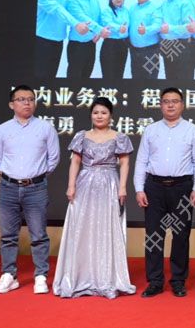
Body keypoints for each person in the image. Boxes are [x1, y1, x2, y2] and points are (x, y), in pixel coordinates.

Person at [53, 97, 135, 299]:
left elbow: (125, 163)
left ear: (111, 115)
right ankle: (80, 276)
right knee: (82, 227)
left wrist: (122, 187)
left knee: (106, 228)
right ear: (91, 114)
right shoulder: (82, 136)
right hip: (85, 184)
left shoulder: (119, 137)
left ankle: (106, 278)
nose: (99, 116)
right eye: (96, 112)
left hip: (110, 184)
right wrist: (71, 185)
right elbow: (75, 162)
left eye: (104, 113)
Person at [134, 87, 195, 298]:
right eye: (166, 101)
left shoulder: (192, 130)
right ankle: (155, 281)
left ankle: (178, 280)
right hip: (154, 187)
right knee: (153, 235)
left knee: (181, 235)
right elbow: (141, 161)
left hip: (182, 187)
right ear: (160, 105)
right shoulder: (151, 130)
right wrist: (139, 189)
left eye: (175, 101)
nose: (171, 105)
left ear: (182, 105)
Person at [0, 85, 60, 294]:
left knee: (38, 234)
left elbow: (53, 159)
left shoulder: (45, 128)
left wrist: (35, 177)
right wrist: (13, 176)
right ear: (11, 104)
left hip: (36, 187)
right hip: (8, 187)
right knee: (8, 235)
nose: (27, 103)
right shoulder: (2, 130)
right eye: (21, 99)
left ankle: (40, 276)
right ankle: (9, 275)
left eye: (30, 99)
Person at [35, 0, 89, 78]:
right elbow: (58, 10)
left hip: (59, 42)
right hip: (42, 41)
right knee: (40, 76)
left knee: (51, 76)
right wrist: (77, 24)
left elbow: (71, 14)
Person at [65, 0, 111, 78]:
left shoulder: (95, 1)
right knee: (74, 77)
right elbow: (83, 18)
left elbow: (99, 20)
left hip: (91, 44)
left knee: (87, 76)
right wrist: (100, 30)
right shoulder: (73, 2)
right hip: (77, 45)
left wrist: (98, 34)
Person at [158, 0, 195, 80]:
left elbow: (189, 27)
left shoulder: (185, 2)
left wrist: (170, 28)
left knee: (184, 80)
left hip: (181, 46)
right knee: (170, 79)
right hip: (167, 46)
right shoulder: (164, 4)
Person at [129, 0, 162, 80]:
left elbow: (158, 25)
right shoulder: (132, 8)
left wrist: (146, 30)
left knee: (151, 80)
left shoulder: (155, 8)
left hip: (150, 51)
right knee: (136, 80)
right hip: (134, 51)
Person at [98, 0, 131, 80]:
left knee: (119, 75)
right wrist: (119, 28)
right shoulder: (107, 10)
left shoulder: (126, 10)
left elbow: (128, 26)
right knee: (108, 76)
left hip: (123, 45)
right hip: (110, 45)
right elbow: (108, 23)